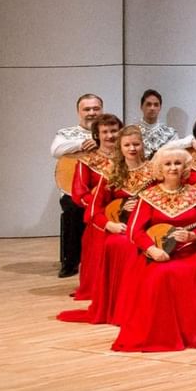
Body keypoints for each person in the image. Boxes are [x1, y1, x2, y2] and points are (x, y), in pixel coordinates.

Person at [112, 149, 196, 353]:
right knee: (160, 274)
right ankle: (161, 335)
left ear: (185, 167)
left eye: (178, 163)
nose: (173, 168)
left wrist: (194, 236)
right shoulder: (148, 196)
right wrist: (152, 250)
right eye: (168, 164)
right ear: (160, 168)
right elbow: (135, 230)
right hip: (158, 255)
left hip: (191, 253)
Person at [57, 126, 153, 327]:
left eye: (136, 144)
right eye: (127, 145)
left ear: (143, 145)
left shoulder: (154, 171)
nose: (132, 149)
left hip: (148, 228)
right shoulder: (110, 174)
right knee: (120, 244)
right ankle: (123, 307)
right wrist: (110, 224)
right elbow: (94, 210)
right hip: (121, 228)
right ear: (120, 147)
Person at [63, 112, 123, 299]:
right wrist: (105, 208)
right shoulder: (87, 162)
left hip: (126, 215)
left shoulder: (128, 159)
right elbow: (79, 194)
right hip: (100, 217)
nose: (110, 135)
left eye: (114, 131)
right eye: (105, 131)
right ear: (97, 135)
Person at [49, 94, 107, 277]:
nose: (92, 113)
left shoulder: (108, 130)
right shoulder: (66, 133)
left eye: (95, 109)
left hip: (104, 190)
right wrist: (81, 144)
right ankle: (71, 262)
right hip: (74, 192)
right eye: (87, 109)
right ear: (78, 112)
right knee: (73, 210)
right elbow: (56, 150)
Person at [134, 89, 180, 159]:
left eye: (156, 105)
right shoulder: (132, 132)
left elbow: (175, 157)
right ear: (141, 107)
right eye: (148, 104)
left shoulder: (171, 134)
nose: (152, 108)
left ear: (160, 108)